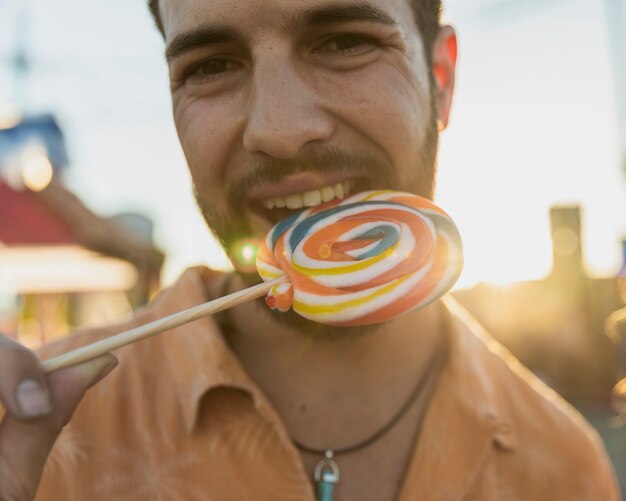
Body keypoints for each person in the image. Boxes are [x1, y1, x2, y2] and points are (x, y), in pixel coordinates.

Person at [0, 0, 620, 499]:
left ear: (441, 78)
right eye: (211, 65)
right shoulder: (40, 431)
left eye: (344, 40)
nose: (279, 129)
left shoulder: (563, 468)